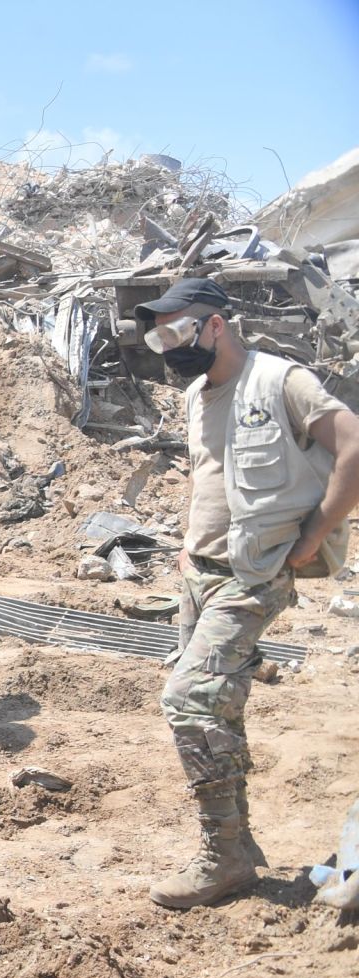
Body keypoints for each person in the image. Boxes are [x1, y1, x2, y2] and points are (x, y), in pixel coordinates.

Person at [135, 277, 359, 909]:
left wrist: (314, 536)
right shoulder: (193, 397)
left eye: (176, 331)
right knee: (220, 709)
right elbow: (209, 473)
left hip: (252, 575)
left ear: (216, 325)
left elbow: (354, 448)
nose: (166, 346)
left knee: (190, 700)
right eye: (158, 335)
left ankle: (222, 853)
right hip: (199, 572)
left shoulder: (281, 381)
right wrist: (186, 543)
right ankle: (239, 847)